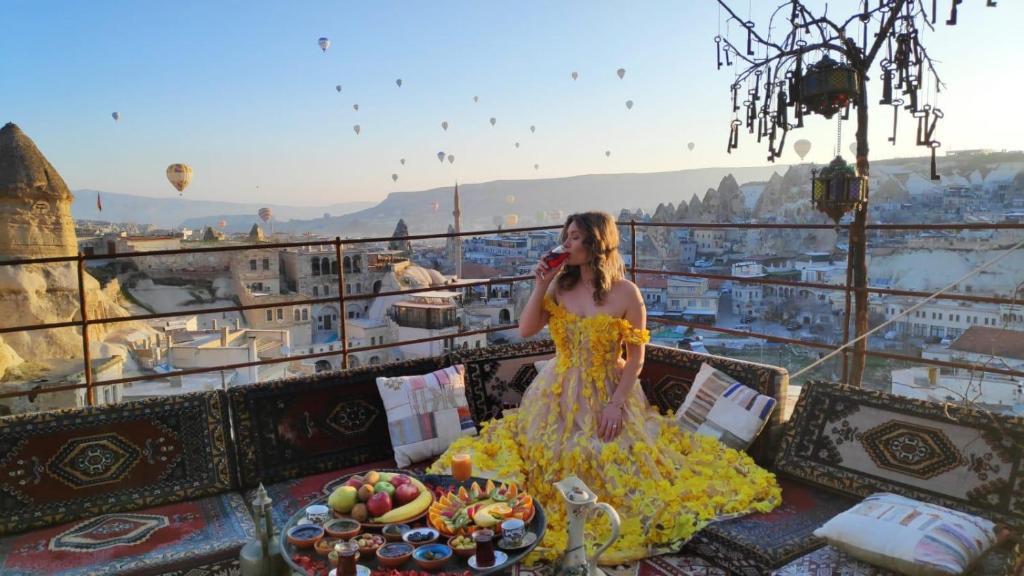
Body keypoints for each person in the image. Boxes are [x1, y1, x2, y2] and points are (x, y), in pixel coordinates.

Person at [429, 212, 780, 565]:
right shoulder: (558, 287)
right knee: (548, 456)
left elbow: (637, 359)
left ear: (597, 242)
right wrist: (540, 283)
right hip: (556, 391)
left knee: (607, 456)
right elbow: (526, 330)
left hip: (610, 389)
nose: (566, 244)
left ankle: (598, 523)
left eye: (575, 237)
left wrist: (615, 405)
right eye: (565, 236)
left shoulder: (627, 293)